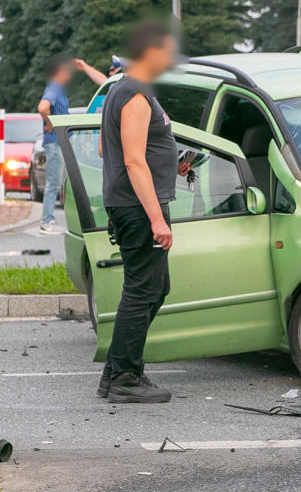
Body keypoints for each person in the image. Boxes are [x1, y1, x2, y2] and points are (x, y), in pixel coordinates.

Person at [96, 21, 188, 403]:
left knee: (154, 288)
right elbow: (133, 161)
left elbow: (108, 150)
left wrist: (171, 163)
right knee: (142, 290)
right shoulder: (133, 93)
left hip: (132, 203)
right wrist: (156, 218)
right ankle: (124, 379)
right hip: (137, 207)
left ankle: (116, 370)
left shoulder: (126, 91)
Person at [37, 56, 107, 235]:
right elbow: (43, 107)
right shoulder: (54, 87)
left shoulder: (57, 88)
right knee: (53, 183)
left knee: (57, 182)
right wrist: (50, 123)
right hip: (54, 142)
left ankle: (50, 220)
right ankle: (47, 222)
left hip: (57, 142)